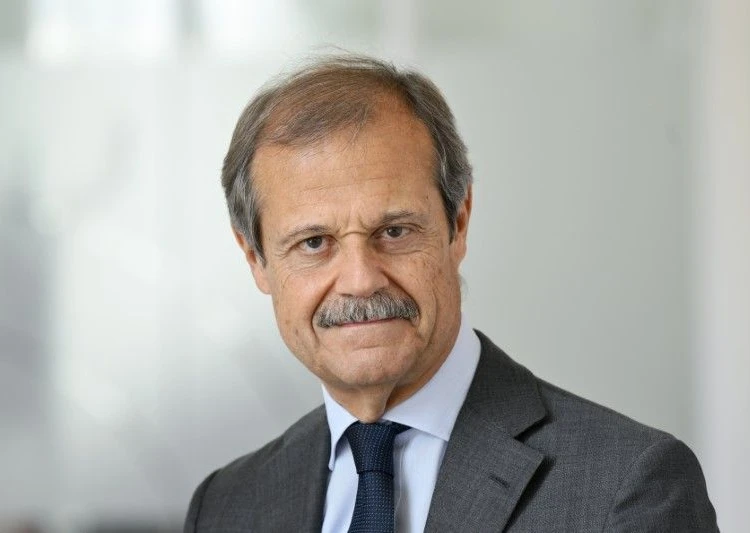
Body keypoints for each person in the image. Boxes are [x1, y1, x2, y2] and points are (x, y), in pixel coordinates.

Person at [184, 55, 717, 532]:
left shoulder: (628, 488)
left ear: (458, 223)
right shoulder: (227, 506)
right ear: (256, 259)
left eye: (394, 231)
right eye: (314, 243)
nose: (360, 280)